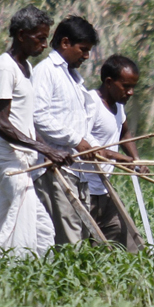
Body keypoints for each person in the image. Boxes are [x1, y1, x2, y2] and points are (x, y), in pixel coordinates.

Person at [0, 6, 68, 258]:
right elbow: (3, 124)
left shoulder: (25, 67)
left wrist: (48, 152)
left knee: (33, 224)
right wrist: (45, 148)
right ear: (21, 35)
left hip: (24, 161)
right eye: (40, 38)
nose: (45, 44)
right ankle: (5, 265)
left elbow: (25, 122)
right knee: (26, 222)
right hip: (8, 161)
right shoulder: (5, 67)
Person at [32, 15, 100, 245]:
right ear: (65, 43)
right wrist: (75, 140)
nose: (86, 56)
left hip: (77, 169)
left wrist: (93, 146)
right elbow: (38, 115)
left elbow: (79, 123)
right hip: (55, 168)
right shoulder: (46, 71)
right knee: (68, 237)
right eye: (83, 49)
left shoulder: (73, 78)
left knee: (81, 232)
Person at [80, 55, 146, 252]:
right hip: (83, 189)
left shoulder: (118, 106)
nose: (131, 92)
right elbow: (84, 142)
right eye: (126, 86)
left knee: (125, 240)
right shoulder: (91, 102)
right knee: (79, 244)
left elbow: (124, 133)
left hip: (104, 189)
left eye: (133, 87)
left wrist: (135, 160)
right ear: (109, 82)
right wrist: (120, 159)